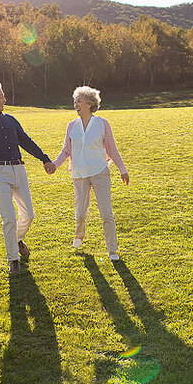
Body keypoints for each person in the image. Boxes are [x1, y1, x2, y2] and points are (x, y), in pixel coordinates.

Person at [0, 80, 55, 275]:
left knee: (29, 215)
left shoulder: (10, 120)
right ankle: (13, 260)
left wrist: (44, 159)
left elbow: (26, 141)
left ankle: (16, 239)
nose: (4, 99)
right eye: (1, 96)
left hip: (19, 170)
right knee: (8, 218)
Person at [49, 85, 129, 261]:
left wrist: (122, 170)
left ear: (89, 103)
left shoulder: (102, 124)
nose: (75, 105)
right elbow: (65, 151)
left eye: (79, 101)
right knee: (80, 213)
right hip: (79, 175)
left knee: (106, 213)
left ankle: (112, 250)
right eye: (74, 101)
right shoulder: (71, 126)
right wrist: (54, 165)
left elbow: (112, 150)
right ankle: (79, 234)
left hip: (100, 172)